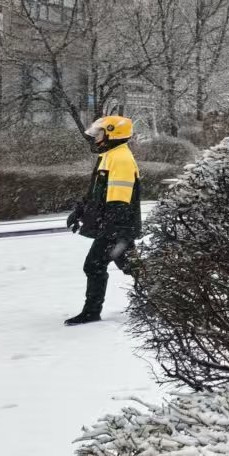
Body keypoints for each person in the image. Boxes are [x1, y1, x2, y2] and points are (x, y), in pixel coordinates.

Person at [64, 114, 143, 325]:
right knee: (133, 267)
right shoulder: (110, 156)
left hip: (116, 227)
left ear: (112, 135)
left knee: (94, 266)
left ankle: (91, 312)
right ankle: (163, 298)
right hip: (114, 228)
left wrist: (112, 232)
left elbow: (119, 201)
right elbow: (96, 193)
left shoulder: (121, 159)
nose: (96, 138)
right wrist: (80, 212)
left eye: (99, 133)